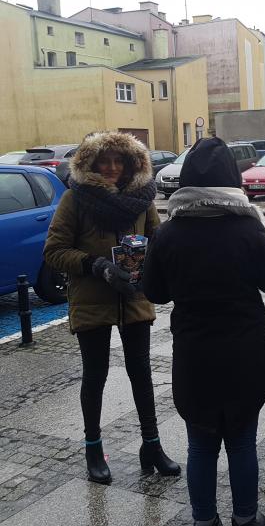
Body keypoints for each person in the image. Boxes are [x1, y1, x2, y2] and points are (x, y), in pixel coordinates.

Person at [142, 137, 265, 526]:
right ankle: (246, 518)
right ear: (231, 178)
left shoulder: (168, 234)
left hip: (195, 356)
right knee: (242, 443)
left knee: (201, 446)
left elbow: (154, 291)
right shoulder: (248, 228)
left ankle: (204, 520)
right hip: (246, 355)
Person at [43, 131, 180, 485]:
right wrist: (96, 265)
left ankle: (151, 445)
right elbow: (54, 251)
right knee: (95, 375)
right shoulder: (75, 199)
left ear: (132, 163)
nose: (112, 167)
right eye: (105, 160)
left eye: (120, 160)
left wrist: (150, 258)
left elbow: (158, 239)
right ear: (91, 163)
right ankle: (93, 448)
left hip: (134, 297)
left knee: (141, 373)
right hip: (92, 299)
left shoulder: (142, 197)